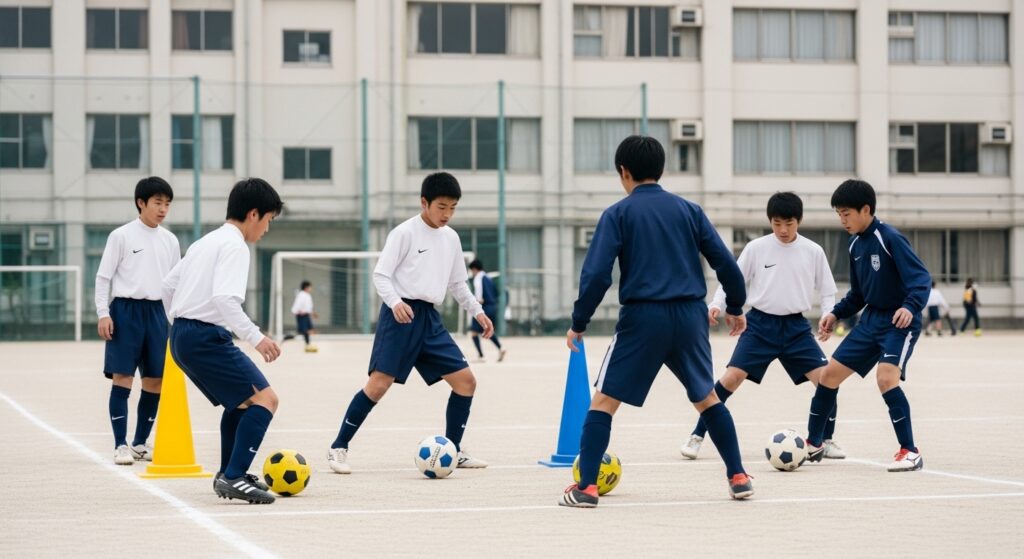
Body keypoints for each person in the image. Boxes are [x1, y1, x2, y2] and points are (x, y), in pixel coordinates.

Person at [560, 135, 751, 508]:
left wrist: (579, 320)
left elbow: (597, 274)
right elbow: (725, 263)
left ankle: (586, 488)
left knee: (603, 402)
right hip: (690, 315)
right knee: (707, 397)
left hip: (643, 317)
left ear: (623, 172)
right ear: (661, 170)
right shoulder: (689, 210)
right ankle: (739, 476)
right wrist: (736, 306)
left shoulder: (618, 213)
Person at [326, 172, 493, 474]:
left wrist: (477, 312)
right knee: (378, 386)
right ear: (424, 202)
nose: (447, 214)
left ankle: (453, 450)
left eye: (453, 207)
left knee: (466, 382)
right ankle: (338, 446)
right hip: (400, 316)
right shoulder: (404, 233)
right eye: (442, 207)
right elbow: (381, 274)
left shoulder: (452, 238)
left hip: (430, 319)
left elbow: (458, 284)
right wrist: (395, 302)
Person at [680, 192, 845, 461]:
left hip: (796, 328)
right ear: (770, 221)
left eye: (789, 223)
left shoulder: (813, 251)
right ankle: (697, 435)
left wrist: (829, 315)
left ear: (799, 221)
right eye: (777, 223)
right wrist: (716, 305)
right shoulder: (757, 248)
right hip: (759, 325)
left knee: (828, 379)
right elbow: (732, 280)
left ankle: (825, 440)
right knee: (731, 379)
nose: (783, 229)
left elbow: (828, 291)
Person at [162, 178, 284, 504]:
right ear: (254, 214)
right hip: (205, 336)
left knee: (241, 402)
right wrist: (257, 338)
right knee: (266, 400)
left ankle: (230, 473)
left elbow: (167, 285)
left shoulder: (206, 242)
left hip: (184, 337)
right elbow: (225, 300)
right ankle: (233, 477)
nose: (266, 229)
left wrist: (180, 321)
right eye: (269, 220)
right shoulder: (235, 246)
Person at [808, 179, 930, 472]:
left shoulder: (890, 238)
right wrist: (835, 314)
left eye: (846, 213)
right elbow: (858, 295)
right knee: (828, 375)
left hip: (899, 323)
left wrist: (909, 307)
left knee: (886, 378)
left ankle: (909, 451)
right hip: (871, 320)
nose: (842, 220)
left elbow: (921, 279)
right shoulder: (854, 245)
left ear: (866, 209)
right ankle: (814, 444)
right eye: (839, 214)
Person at [95, 177, 180, 465]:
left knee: (155, 381)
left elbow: (173, 285)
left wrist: (175, 318)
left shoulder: (170, 240)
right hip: (125, 312)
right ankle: (120, 444)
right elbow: (103, 277)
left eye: (167, 204)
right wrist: (103, 313)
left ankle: (140, 443)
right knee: (123, 378)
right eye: (157, 202)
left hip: (158, 314)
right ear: (141, 203)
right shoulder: (121, 236)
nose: (163, 209)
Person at [467, 260, 507, 363]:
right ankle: (500, 348)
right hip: (493, 307)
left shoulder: (478, 279)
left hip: (483, 308)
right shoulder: (489, 278)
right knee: (488, 329)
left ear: (474, 269)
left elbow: (480, 298)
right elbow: (496, 292)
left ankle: (481, 356)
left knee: (474, 332)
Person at [291, 280, 319, 352]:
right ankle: (287, 337)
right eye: (310, 287)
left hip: (306, 315)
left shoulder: (307, 295)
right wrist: (297, 311)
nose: (311, 289)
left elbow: (308, 307)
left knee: (308, 330)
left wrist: (312, 313)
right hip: (302, 315)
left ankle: (308, 344)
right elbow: (297, 305)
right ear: (306, 287)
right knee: (303, 331)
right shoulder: (301, 295)